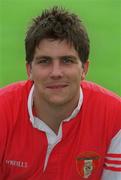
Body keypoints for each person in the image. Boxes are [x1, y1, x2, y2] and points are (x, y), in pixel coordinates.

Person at [0, 6, 121, 180]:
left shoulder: (115, 116)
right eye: (44, 61)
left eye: (67, 60)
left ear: (84, 69)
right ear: (29, 70)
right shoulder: (2, 111)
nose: (56, 72)